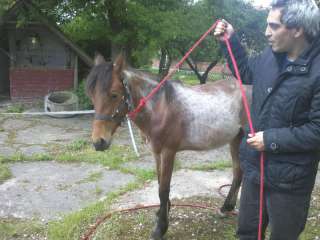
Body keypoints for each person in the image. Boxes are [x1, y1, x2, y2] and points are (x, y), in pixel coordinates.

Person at [214, 0, 320, 239]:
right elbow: (245, 72)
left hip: (290, 180)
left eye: (273, 26)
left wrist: (271, 140)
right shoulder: (270, 58)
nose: (266, 32)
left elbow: (317, 130)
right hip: (255, 169)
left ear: (297, 29)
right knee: (247, 233)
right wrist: (230, 41)